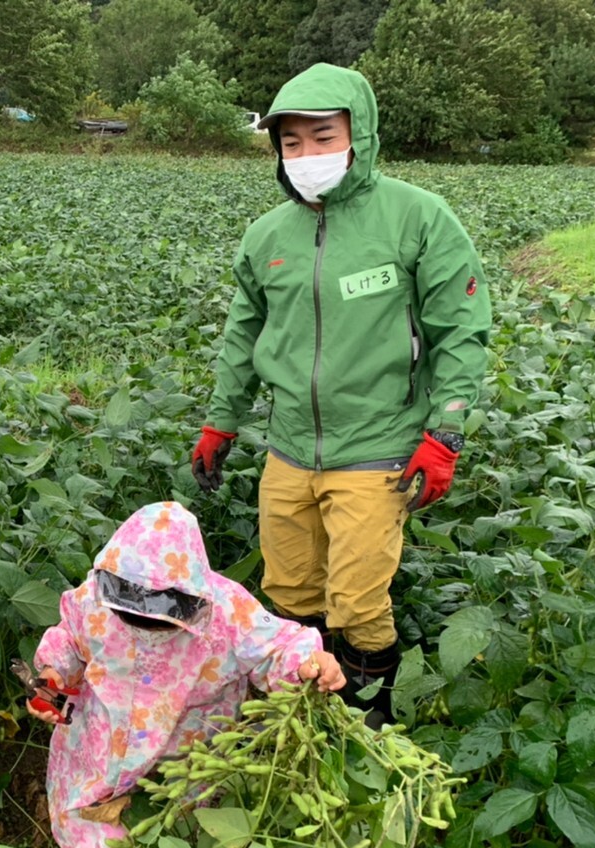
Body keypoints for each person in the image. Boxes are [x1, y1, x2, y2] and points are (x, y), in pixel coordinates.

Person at [189, 63, 492, 723]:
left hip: (378, 445)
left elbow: (460, 330)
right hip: (290, 445)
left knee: (357, 601)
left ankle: (369, 710)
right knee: (288, 588)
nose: (306, 156)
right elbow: (243, 337)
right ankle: (300, 705)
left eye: (322, 137)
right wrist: (222, 423)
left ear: (361, 134)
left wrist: (446, 432)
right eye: (291, 143)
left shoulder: (417, 219)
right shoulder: (268, 237)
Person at [28, 501, 344, 848]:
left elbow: (278, 647)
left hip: (182, 753)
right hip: (98, 740)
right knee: (92, 817)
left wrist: (308, 664)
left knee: (171, 831)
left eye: (158, 619)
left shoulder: (228, 613)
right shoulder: (93, 598)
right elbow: (69, 639)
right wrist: (52, 675)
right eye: (131, 614)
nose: (143, 622)